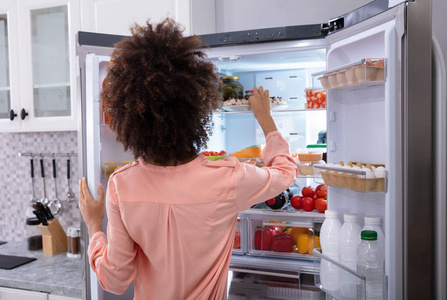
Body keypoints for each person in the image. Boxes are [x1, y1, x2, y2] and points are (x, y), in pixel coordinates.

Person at [78, 18, 297, 300]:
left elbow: (115, 280)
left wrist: (94, 224)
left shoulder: (121, 185)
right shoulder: (228, 176)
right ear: (196, 108)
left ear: (128, 116)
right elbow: (284, 172)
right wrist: (266, 120)